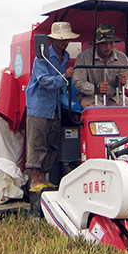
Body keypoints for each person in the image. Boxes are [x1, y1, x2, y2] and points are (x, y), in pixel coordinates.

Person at [25, 21, 79, 191]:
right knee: (37, 142)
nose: (65, 42)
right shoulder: (42, 56)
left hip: (55, 106)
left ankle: (43, 177)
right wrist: (64, 77)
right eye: (62, 39)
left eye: (67, 39)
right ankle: (35, 179)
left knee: (52, 143)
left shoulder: (66, 56)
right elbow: (43, 80)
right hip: (39, 106)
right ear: (54, 39)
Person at [73, 24, 128, 108]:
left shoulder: (122, 58)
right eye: (104, 43)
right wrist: (95, 88)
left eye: (111, 43)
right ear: (97, 44)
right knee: (98, 113)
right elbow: (78, 81)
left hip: (115, 97)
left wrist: (124, 82)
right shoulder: (84, 57)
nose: (108, 47)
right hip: (91, 97)